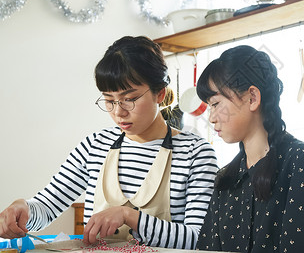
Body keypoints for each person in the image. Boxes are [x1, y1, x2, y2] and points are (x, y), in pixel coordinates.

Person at [0, 36, 218, 249]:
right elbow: (47, 207)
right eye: (109, 100)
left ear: (159, 93)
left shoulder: (195, 153)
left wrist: (128, 216)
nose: (118, 112)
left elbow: (197, 239)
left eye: (130, 99)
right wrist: (24, 210)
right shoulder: (94, 146)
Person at [195, 45, 304, 252]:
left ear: (252, 98)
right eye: (209, 106)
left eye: (216, 103)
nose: (211, 117)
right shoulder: (226, 177)